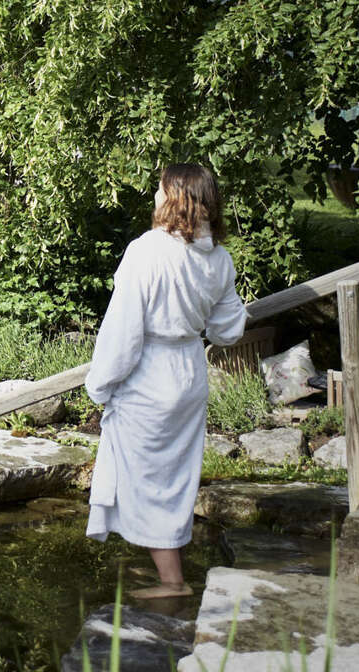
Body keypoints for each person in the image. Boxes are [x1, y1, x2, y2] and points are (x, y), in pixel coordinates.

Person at [84, 163, 247, 599]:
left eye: (159, 189)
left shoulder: (148, 251)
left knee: (149, 478)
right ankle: (166, 568)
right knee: (172, 475)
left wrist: (99, 385)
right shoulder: (219, 258)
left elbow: (122, 331)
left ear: (176, 198)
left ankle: (173, 582)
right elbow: (228, 329)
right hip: (189, 371)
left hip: (151, 376)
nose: (154, 196)